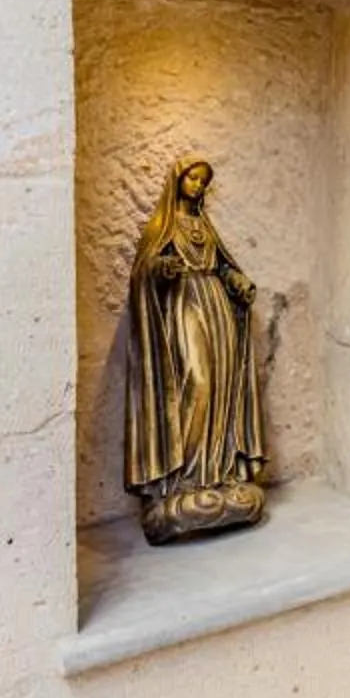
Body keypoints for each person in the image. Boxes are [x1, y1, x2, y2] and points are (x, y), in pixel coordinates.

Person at [123, 158, 269, 542]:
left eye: (203, 180)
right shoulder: (162, 226)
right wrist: (160, 268)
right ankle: (180, 479)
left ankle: (216, 474)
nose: (198, 185)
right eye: (192, 177)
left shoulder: (205, 226)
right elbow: (143, 272)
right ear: (178, 179)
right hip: (183, 305)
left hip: (216, 306)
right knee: (197, 382)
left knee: (218, 385)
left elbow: (221, 265)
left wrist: (235, 279)